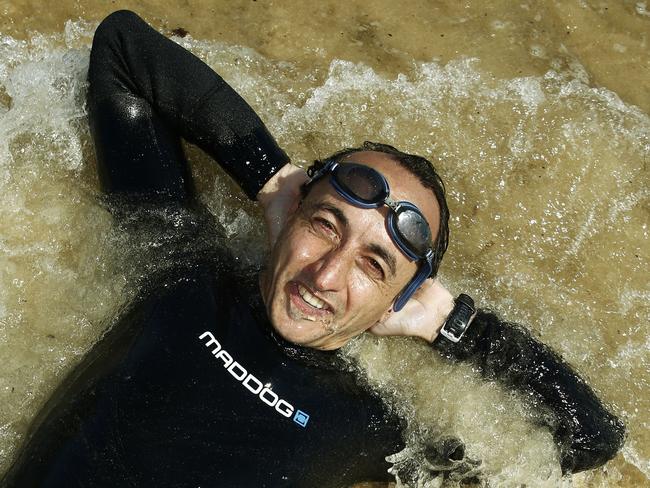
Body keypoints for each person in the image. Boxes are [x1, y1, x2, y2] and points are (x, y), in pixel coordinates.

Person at [1, 10, 625, 488]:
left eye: (374, 265)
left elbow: (587, 440)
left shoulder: (374, 426)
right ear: (291, 215)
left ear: (396, 302)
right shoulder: (183, 269)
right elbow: (122, 51)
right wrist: (268, 175)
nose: (326, 275)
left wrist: (452, 323)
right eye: (327, 225)